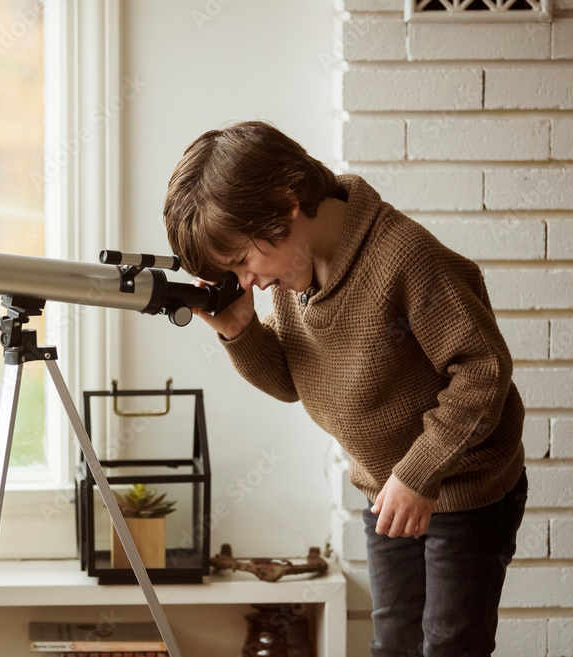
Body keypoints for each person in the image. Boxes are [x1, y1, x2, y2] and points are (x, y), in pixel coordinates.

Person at [163, 120, 527, 657]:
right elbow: (293, 381)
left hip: (462, 487)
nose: (249, 282)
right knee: (394, 642)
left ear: (286, 205)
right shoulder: (297, 274)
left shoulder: (404, 257)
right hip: (388, 490)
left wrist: (420, 472)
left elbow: (482, 369)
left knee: (451, 644)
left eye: (243, 261)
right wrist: (241, 330)